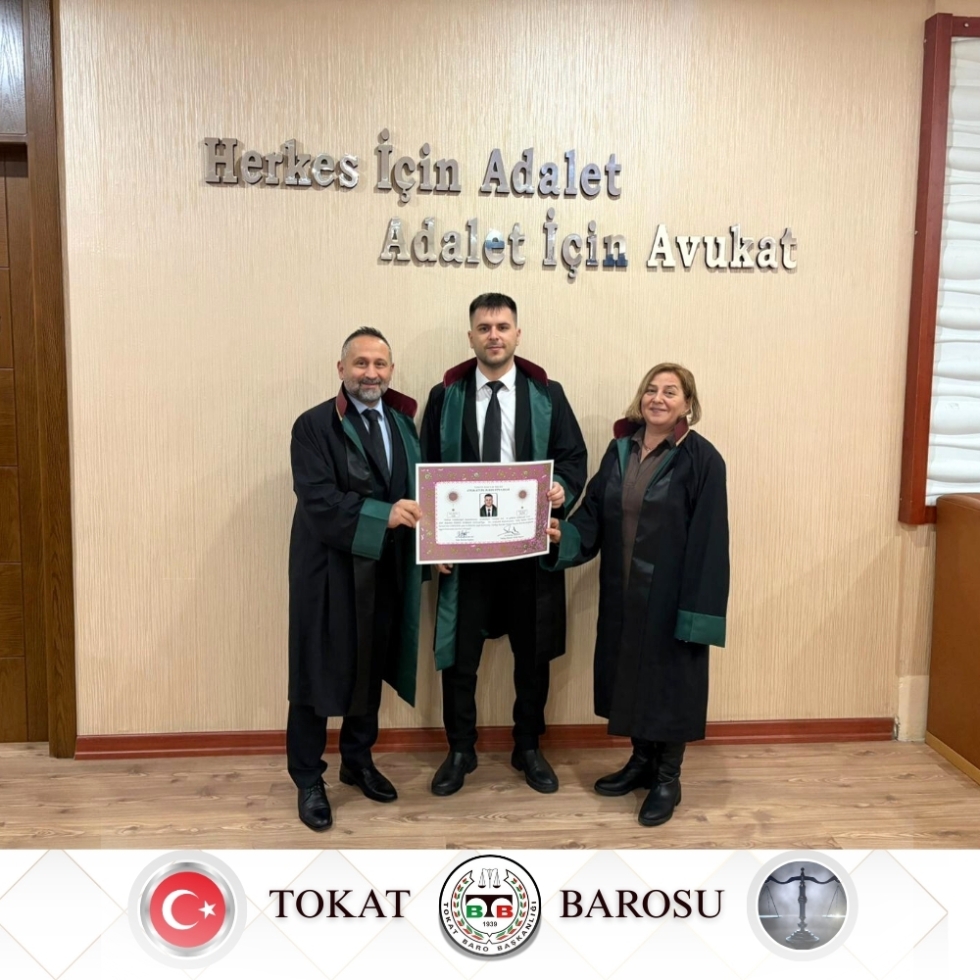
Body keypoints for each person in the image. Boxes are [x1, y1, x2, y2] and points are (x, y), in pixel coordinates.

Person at [545, 363, 729, 826]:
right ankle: (641, 761)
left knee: (670, 685)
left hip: (672, 596)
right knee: (630, 678)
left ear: (688, 404)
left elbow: (710, 541)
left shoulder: (702, 460)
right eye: (651, 389)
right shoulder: (620, 450)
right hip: (623, 591)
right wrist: (563, 535)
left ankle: (668, 778)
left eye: (671, 391)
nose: (658, 398)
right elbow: (592, 512)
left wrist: (698, 613)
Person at [420, 293, 587, 796]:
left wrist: (563, 489)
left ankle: (528, 746)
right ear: (470, 336)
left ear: (518, 334)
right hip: (466, 554)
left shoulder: (548, 395)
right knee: (459, 657)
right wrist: (434, 543)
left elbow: (573, 458)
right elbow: (425, 469)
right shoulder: (445, 396)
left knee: (532, 655)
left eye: (502, 326)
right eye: (484, 327)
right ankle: (460, 749)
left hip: (527, 553)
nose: (494, 335)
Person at [287, 327, 423, 831]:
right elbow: (319, 500)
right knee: (316, 673)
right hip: (328, 573)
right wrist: (384, 515)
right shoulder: (313, 426)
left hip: (383, 569)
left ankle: (357, 760)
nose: (371, 373)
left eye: (380, 364)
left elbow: (421, 495)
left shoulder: (404, 425)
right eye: (361, 363)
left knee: (370, 665)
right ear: (341, 368)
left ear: (391, 371)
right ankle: (308, 777)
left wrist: (437, 548)